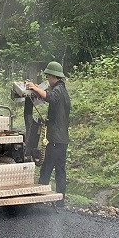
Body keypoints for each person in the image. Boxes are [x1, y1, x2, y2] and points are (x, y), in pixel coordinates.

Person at [26, 61, 71, 207]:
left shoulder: (58, 90)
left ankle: (38, 201)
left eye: (48, 77)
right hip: (62, 139)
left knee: (46, 169)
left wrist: (34, 88)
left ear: (54, 77)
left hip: (55, 140)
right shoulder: (64, 91)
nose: (48, 80)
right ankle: (60, 202)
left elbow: (50, 97)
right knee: (60, 172)